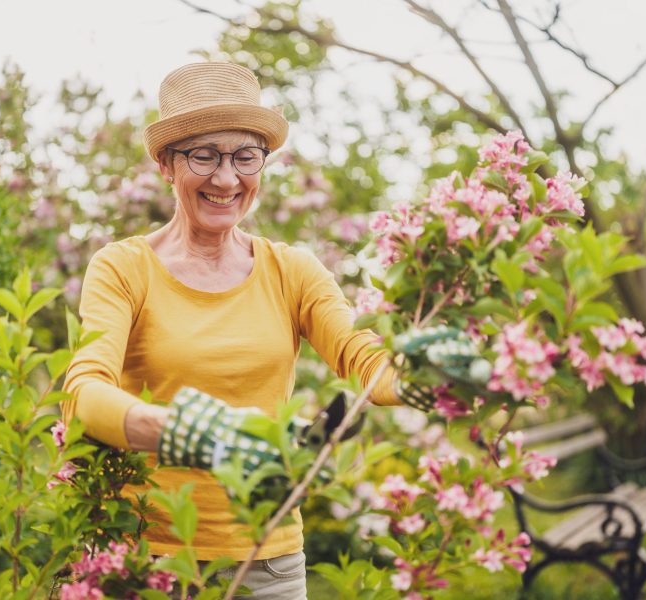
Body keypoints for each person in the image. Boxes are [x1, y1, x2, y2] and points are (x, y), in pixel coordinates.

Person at [62, 62, 478, 599]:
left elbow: (365, 361)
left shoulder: (293, 270)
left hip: (270, 566)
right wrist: (189, 432)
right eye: (204, 155)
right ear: (166, 164)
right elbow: (83, 394)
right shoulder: (122, 268)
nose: (227, 178)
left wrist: (420, 373)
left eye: (245, 156)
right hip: (148, 558)